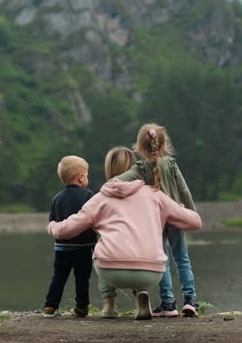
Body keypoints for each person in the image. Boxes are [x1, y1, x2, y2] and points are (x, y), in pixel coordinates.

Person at [47, 146, 201, 321]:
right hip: (149, 273)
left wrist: (52, 225)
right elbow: (195, 222)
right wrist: (178, 208)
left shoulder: (100, 198)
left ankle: (109, 305)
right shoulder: (155, 194)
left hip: (110, 271)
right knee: (140, 244)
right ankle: (143, 298)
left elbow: (66, 231)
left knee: (103, 245)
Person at [112, 123, 198, 317]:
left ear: (139, 147)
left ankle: (168, 304)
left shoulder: (140, 168)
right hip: (176, 216)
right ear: (163, 145)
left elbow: (115, 182)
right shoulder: (171, 164)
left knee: (163, 262)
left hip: (155, 222)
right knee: (182, 259)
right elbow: (184, 191)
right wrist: (192, 213)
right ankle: (190, 301)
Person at [43, 155, 97, 318]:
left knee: (59, 276)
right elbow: (94, 218)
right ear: (81, 177)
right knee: (82, 279)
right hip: (84, 247)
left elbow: (52, 220)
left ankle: (50, 306)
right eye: (87, 174)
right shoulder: (88, 196)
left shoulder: (56, 198)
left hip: (61, 247)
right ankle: (81, 307)